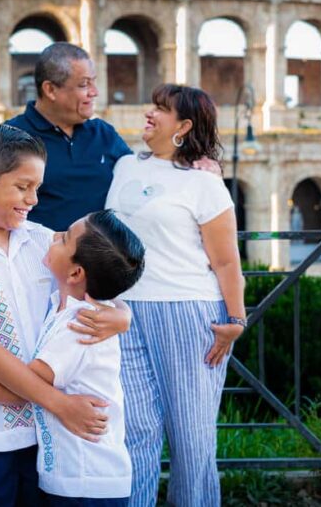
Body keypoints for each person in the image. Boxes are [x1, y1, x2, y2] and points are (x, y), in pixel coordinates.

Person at [0, 124, 131, 506]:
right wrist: (61, 404)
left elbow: (93, 281)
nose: (34, 199)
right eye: (23, 187)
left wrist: (123, 314)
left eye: (37, 187)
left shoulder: (43, 240)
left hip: (48, 438)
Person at [0, 209, 146, 506]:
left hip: (85, 480)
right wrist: (124, 314)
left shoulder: (77, 327)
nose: (55, 235)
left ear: (76, 273)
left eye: (65, 238)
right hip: (76, 476)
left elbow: (19, 388)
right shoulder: (66, 309)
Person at [105, 84, 246, 507]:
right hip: (124, 312)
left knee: (191, 438)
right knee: (135, 430)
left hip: (188, 312)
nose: (150, 113)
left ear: (183, 126)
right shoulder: (126, 167)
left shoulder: (205, 185)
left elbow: (226, 262)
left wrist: (237, 320)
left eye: (161, 109)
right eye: (153, 105)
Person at [7, 42, 222, 233]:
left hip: (102, 271)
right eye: (84, 84)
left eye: (93, 82)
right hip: (39, 270)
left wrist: (199, 165)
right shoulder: (10, 138)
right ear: (51, 90)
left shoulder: (104, 134)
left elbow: (146, 174)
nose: (95, 92)